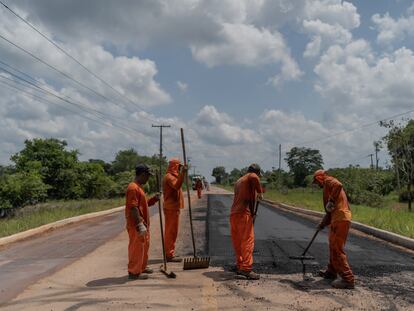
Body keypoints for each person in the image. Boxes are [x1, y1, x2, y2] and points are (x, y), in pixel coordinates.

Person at [313, 169, 355, 289]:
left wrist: (331, 201)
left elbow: (339, 184)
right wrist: (322, 224)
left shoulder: (328, 181)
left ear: (320, 178)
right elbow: (329, 212)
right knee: (333, 246)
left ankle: (348, 279)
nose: (318, 185)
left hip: (341, 217)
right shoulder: (327, 188)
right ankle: (331, 271)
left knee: (337, 248)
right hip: (337, 217)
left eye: (317, 182)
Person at [125, 164, 160, 280]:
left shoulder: (139, 187)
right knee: (137, 247)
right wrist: (139, 224)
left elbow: (143, 205)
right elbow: (133, 207)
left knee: (144, 246)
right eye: (147, 176)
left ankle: (142, 267)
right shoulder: (133, 188)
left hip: (143, 223)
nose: (148, 178)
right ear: (143, 174)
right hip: (136, 224)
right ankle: (134, 272)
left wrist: (154, 199)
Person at [230, 163, 263, 280]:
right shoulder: (252, 176)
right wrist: (260, 191)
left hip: (234, 214)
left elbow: (250, 198)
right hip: (243, 214)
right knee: (247, 241)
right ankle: (246, 269)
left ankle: (240, 265)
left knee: (238, 242)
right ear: (256, 172)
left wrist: (253, 212)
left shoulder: (240, 180)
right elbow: (254, 177)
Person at [162, 158, 187, 262]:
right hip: (171, 208)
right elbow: (177, 186)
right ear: (175, 166)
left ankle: (169, 253)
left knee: (173, 232)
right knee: (170, 232)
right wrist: (183, 174)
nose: (180, 169)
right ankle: (169, 254)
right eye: (179, 167)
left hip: (173, 208)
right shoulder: (169, 177)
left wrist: (182, 174)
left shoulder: (172, 176)